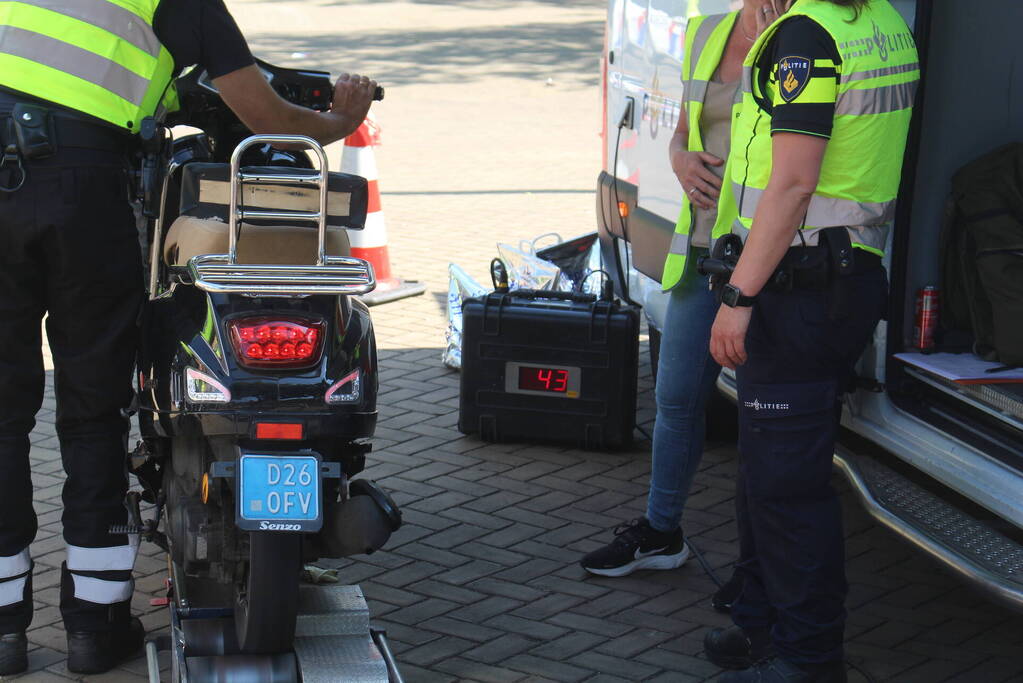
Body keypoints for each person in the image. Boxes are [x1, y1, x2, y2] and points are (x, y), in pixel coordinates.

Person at [0, 1, 377, 675]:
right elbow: (264, 115)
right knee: (94, 413)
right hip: (83, 187)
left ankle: (2, 632)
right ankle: (94, 626)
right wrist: (339, 120)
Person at [700, 0, 919, 681]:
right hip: (838, 276)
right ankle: (759, 622)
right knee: (766, 470)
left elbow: (793, 183)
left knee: (787, 487)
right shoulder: (881, 20)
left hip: (798, 284)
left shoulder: (806, 37)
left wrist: (738, 297)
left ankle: (807, 658)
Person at [581, 0, 777, 581]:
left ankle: (761, 568)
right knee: (676, 400)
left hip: (770, 258)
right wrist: (680, 160)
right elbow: (683, 134)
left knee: (767, 417)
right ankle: (661, 532)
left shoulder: (801, 36)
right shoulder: (707, 33)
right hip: (704, 251)